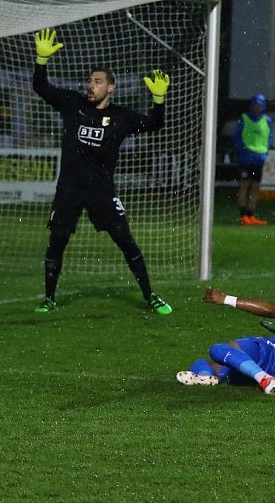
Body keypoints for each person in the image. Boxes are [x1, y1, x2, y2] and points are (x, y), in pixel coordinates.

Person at [31, 28, 172, 315]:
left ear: (111, 87)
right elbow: (40, 86)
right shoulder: (72, 104)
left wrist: (158, 101)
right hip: (69, 189)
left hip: (102, 191)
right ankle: (49, 298)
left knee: (125, 239)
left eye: (97, 82)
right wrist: (41, 61)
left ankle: (150, 295)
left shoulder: (121, 116)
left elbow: (153, 124)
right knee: (57, 240)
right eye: (90, 81)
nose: (90, 85)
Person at [176, 251, 275, 394]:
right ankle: (208, 378)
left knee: (218, 349)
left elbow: (274, 310)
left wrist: (225, 299)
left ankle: (265, 380)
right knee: (206, 364)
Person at [233, 93, 273, 225]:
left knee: (256, 186)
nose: (257, 107)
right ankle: (243, 214)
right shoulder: (244, 118)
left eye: (260, 105)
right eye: (255, 105)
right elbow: (237, 136)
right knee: (244, 185)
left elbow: (269, 136)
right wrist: (242, 151)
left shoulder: (267, 120)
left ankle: (251, 214)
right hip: (246, 156)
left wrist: (266, 150)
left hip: (259, 157)